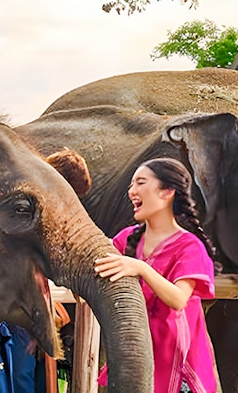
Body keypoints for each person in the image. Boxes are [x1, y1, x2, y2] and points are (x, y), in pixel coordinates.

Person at [94, 157, 218, 393]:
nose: (132, 191)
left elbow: (179, 299)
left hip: (178, 365)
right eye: (131, 185)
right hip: (133, 358)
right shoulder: (126, 239)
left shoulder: (189, 246)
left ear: (167, 192)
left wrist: (141, 268)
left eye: (140, 183)